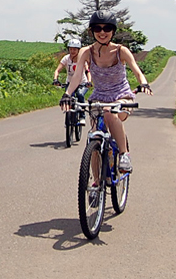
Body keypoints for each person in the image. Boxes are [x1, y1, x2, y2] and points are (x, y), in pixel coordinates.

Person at [60, 11, 152, 173]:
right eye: (97, 28)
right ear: (92, 31)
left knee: (109, 113)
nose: (102, 32)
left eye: (107, 28)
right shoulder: (86, 52)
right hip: (99, 98)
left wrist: (144, 83)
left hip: (122, 97)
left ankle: (124, 154)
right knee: (94, 138)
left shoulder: (120, 51)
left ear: (113, 31)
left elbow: (137, 71)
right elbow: (77, 76)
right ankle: (96, 184)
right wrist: (67, 94)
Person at [53, 38, 91, 120]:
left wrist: (89, 81)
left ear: (78, 50)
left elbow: (88, 71)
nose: (72, 51)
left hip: (82, 83)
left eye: (74, 49)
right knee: (68, 97)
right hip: (70, 83)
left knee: (80, 95)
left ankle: (82, 116)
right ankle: (69, 113)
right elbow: (57, 70)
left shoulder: (82, 59)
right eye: (70, 49)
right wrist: (55, 79)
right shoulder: (66, 58)